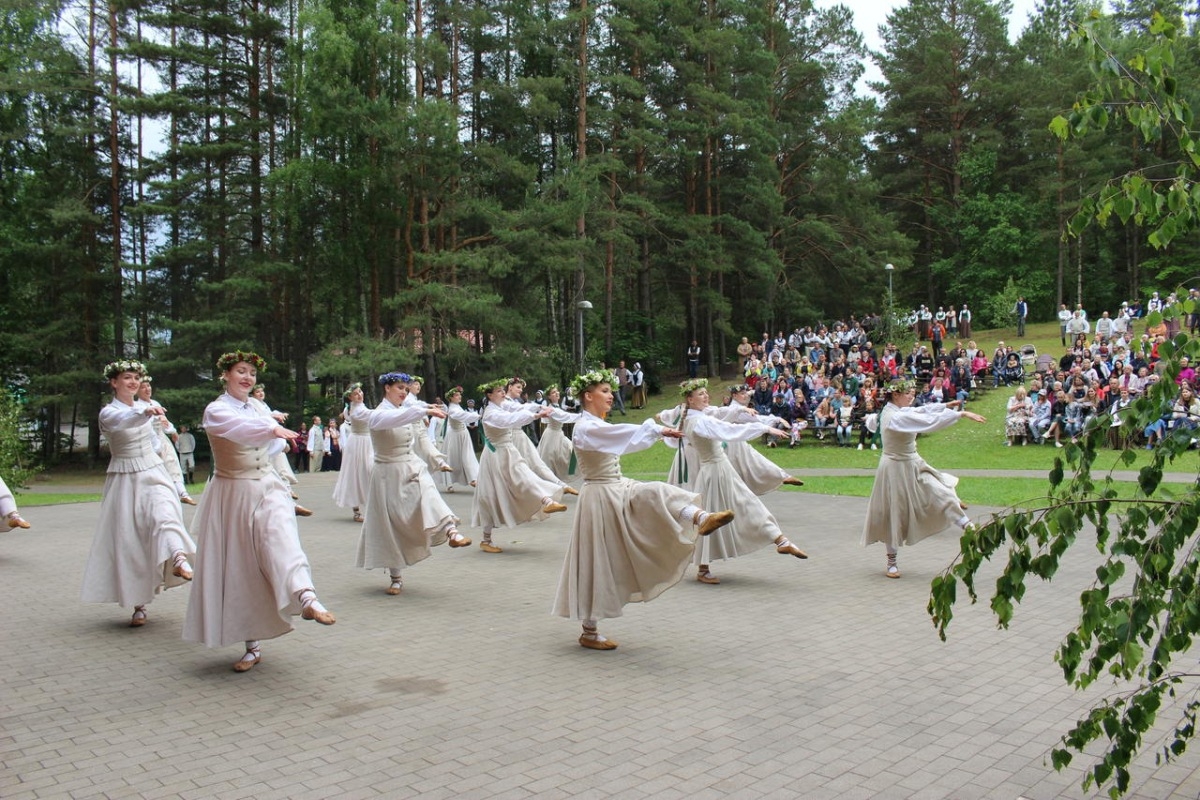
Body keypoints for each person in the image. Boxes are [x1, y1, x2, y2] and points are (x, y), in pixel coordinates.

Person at [552, 369, 735, 650]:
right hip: (600, 496)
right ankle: (589, 630)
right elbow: (618, 435)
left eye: (610, 391)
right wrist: (655, 428)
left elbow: (623, 439)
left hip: (616, 487)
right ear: (588, 396)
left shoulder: (595, 425)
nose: (611, 395)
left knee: (655, 491)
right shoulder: (586, 427)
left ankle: (701, 517)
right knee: (598, 559)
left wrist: (654, 431)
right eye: (604, 391)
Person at [183, 350, 335, 673]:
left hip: (266, 486)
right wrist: (271, 430)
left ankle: (306, 597)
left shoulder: (259, 407)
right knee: (241, 566)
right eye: (241, 371)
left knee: (281, 537)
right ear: (225, 374)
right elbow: (240, 431)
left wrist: (276, 435)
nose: (247, 378)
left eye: (252, 373)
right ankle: (252, 645)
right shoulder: (216, 411)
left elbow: (269, 444)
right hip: (233, 493)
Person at [82, 359, 196, 627]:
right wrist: (145, 414)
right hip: (124, 477)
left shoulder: (146, 408)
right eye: (126, 378)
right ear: (114, 382)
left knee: (165, 513)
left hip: (153, 470)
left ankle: (178, 556)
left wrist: (167, 464)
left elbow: (156, 443)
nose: (133, 382)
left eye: (136, 378)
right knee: (130, 539)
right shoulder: (108, 412)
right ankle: (139, 604)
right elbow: (124, 421)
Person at [674, 379, 808, 585]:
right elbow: (728, 430)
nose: (706, 396)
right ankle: (704, 567)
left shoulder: (698, 417)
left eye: (706, 393)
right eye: (701, 394)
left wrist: (763, 423)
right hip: (714, 472)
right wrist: (765, 429)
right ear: (690, 400)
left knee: (740, 506)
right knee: (733, 508)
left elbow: (723, 417)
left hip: (717, 470)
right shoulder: (700, 421)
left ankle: (780, 540)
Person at [357, 372, 470, 596]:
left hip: (411, 465)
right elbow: (394, 419)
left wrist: (437, 459)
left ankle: (451, 531)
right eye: (400, 388)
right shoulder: (378, 414)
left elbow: (420, 435)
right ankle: (396, 577)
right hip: (386, 474)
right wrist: (423, 410)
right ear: (387, 388)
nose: (403, 392)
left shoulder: (405, 411)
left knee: (428, 492)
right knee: (390, 526)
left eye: (406, 389)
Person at [861, 378, 986, 579]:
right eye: (908, 393)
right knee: (895, 513)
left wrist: (945, 405)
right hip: (894, 469)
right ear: (895, 395)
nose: (912, 396)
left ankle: (970, 528)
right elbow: (927, 421)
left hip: (913, 463)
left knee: (941, 491)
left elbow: (921, 411)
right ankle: (891, 562)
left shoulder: (895, 411)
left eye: (913, 392)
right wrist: (960, 414)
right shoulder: (894, 416)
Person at [470, 378, 567, 553]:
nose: (502, 393)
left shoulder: (501, 406)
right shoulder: (491, 413)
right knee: (490, 495)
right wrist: (536, 415)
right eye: (499, 391)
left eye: (502, 390)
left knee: (524, 477)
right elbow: (510, 420)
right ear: (489, 395)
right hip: (495, 456)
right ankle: (486, 540)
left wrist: (537, 408)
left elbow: (519, 409)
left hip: (508, 452)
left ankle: (547, 500)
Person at [136, 377, 196, 506]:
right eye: (143, 387)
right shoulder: (139, 406)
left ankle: (182, 492)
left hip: (161, 438)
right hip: (148, 441)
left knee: (172, 463)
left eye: (148, 386)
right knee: (156, 469)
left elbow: (165, 422)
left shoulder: (155, 403)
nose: (147, 389)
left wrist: (172, 431)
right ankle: (159, 496)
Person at [332, 383, 373, 522]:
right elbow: (373, 416)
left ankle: (372, 507)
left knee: (368, 471)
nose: (360, 394)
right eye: (356, 393)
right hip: (358, 442)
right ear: (350, 397)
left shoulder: (355, 408)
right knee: (356, 473)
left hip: (365, 441)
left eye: (360, 391)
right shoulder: (356, 410)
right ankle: (357, 510)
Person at [434, 385, 480, 493]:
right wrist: (478, 416)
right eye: (456, 395)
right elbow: (464, 416)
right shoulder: (453, 409)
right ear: (451, 398)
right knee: (452, 459)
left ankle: (473, 478)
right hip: (456, 436)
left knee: (468, 456)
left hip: (463, 434)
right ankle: (451, 483)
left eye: (460, 395)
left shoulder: (457, 406)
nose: (459, 397)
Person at [536, 385, 580, 482]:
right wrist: (583, 416)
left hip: (559, 434)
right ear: (549, 397)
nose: (557, 393)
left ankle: (569, 473)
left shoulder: (556, 407)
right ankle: (551, 482)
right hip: (552, 435)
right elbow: (566, 417)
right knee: (550, 459)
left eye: (557, 391)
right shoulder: (551, 409)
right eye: (553, 392)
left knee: (572, 451)